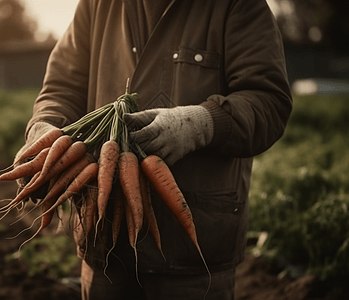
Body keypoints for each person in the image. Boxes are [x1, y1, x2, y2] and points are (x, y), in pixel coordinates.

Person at [15, 0, 293, 299]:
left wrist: (201, 125)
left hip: (193, 252)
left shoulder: (236, 5)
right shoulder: (97, 5)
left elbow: (269, 102)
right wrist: (44, 127)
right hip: (103, 238)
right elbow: (62, 87)